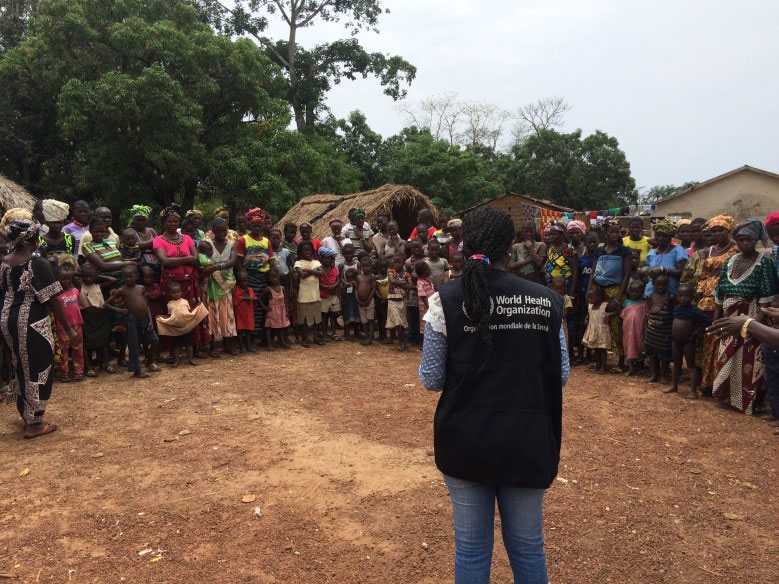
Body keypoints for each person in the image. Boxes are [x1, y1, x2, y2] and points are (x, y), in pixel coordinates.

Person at [418, 206, 568, 584]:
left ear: (464, 244)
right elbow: (562, 373)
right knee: (528, 547)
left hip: (464, 440)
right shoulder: (546, 300)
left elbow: (431, 378)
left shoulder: (445, 300)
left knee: (471, 549)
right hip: (528, 438)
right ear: (510, 246)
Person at [0, 219, 76, 438]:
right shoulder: (37, 263)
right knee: (39, 367)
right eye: (36, 237)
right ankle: (34, 422)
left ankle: (26, 413)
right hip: (31, 321)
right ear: (30, 240)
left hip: (7, 320)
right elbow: (53, 299)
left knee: (20, 365)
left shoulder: (5, 262)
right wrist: (69, 330)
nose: (39, 240)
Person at [712, 220, 777, 414]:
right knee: (726, 358)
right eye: (740, 239)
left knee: (748, 361)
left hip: (752, 315)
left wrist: (751, 324)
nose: (744, 243)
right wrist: (717, 321)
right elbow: (719, 293)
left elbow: (766, 299)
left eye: (748, 239)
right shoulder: (729, 261)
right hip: (728, 317)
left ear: (756, 240)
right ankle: (727, 397)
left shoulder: (764, 262)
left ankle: (747, 403)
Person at [691, 215, 738, 390]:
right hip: (705, 300)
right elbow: (702, 276)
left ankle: (719, 383)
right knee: (703, 339)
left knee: (720, 339)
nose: (717, 234)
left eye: (721, 230)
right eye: (714, 231)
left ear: (728, 231)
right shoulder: (710, 251)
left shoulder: (735, 250)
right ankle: (705, 381)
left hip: (725, 299)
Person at [153, 206, 209, 355]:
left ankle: (195, 347)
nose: (173, 224)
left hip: (190, 283)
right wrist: (186, 259)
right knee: (174, 315)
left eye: (176, 221)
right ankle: (173, 350)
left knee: (192, 312)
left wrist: (178, 260)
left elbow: (195, 258)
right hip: (171, 285)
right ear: (163, 223)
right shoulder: (158, 240)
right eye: (169, 221)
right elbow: (164, 261)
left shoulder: (187, 238)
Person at [589, 222, 632, 370]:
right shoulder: (599, 251)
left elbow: (626, 274)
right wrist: (590, 289)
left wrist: (619, 297)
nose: (615, 235)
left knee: (615, 325)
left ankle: (621, 360)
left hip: (615, 290)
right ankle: (601, 361)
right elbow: (593, 271)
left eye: (617, 232)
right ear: (606, 234)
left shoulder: (624, 251)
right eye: (611, 232)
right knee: (599, 324)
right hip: (598, 290)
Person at [108, 264, 158, 378]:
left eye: (130, 276)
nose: (128, 279)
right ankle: (137, 370)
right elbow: (106, 304)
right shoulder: (122, 290)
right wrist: (120, 310)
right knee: (134, 345)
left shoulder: (141, 288)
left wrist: (150, 321)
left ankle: (150, 361)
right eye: (125, 277)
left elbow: (146, 305)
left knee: (154, 340)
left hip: (144, 319)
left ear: (136, 276)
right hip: (131, 320)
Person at [235, 208, 274, 345]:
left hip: (264, 277)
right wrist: (242, 277)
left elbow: (271, 261)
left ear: (263, 225)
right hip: (249, 278)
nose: (257, 227)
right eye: (254, 225)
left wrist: (272, 277)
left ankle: (261, 337)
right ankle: (250, 338)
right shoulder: (243, 240)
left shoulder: (267, 241)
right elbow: (239, 262)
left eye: (259, 225)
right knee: (250, 307)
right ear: (249, 225)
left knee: (263, 307)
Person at [667, 283, 711, 398]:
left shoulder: (694, 311)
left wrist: (697, 332)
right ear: (677, 296)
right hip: (676, 341)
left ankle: (693, 391)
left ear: (692, 297)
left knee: (691, 365)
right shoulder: (676, 309)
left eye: (686, 296)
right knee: (676, 363)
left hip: (688, 342)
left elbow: (707, 321)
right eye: (680, 296)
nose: (683, 298)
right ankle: (674, 386)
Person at [204, 218, 237, 356]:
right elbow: (203, 261)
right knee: (213, 313)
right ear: (213, 231)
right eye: (218, 230)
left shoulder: (231, 244)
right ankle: (215, 344)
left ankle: (229, 343)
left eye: (224, 230)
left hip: (227, 284)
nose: (222, 233)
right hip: (212, 285)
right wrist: (212, 269)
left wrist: (216, 267)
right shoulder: (207, 245)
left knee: (228, 314)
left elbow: (233, 261)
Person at [156, 280, 208, 367]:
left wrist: (197, 309)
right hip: (176, 329)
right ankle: (176, 360)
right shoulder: (169, 304)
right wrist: (162, 319)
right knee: (176, 346)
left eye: (178, 292)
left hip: (187, 327)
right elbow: (170, 316)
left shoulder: (185, 301)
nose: (176, 294)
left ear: (181, 292)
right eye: (174, 292)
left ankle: (190, 359)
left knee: (189, 345)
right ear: (170, 294)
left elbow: (189, 312)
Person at [79, 262, 116, 376]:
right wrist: (82, 273)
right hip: (87, 316)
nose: (88, 279)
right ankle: (89, 367)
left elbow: (113, 280)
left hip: (100, 316)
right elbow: (73, 276)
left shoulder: (98, 285)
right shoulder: (79, 286)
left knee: (103, 342)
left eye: (90, 276)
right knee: (87, 343)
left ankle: (106, 363)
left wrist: (97, 275)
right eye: (85, 276)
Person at [54, 257, 84, 383]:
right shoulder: (56, 295)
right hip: (62, 327)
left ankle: (79, 372)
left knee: (78, 349)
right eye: (63, 279)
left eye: (68, 279)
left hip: (77, 324)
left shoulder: (75, 291)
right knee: (64, 350)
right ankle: (64, 373)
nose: (65, 281)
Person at [572, 232, 599, 363]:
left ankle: (590, 353)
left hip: (595, 298)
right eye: (590, 242)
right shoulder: (581, 259)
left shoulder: (600, 259)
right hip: (582, 296)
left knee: (593, 324)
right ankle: (581, 353)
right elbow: (576, 278)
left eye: (595, 242)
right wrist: (574, 294)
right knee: (581, 324)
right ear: (585, 243)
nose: (592, 244)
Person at [644, 220, 688, 299]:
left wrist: (662, 269)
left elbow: (682, 273)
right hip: (650, 294)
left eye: (664, 236)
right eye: (658, 235)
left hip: (670, 295)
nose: (661, 238)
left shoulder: (678, 250)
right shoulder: (651, 252)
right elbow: (648, 272)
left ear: (670, 237)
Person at [644, 272, 673, 383]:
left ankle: (664, 375)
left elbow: (672, 312)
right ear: (653, 284)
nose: (661, 287)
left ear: (667, 285)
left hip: (664, 332)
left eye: (663, 284)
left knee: (664, 356)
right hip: (652, 331)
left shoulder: (670, 297)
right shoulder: (650, 297)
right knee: (652, 355)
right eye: (658, 284)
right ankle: (654, 374)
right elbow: (647, 313)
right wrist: (646, 329)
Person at [294, 241, 323, 347]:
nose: (308, 252)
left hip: (315, 295)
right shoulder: (298, 263)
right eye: (305, 250)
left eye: (310, 250)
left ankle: (315, 337)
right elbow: (301, 275)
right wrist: (313, 271)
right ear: (300, 252)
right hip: (303, 296)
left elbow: (321, 273)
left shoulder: (317, 262)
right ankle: (305, 338)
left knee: (316, 319)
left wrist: (308, 271)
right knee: (304, 319)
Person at [620, 279, 648, 376]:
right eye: (632, 291)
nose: (634, 293)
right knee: (629, 348)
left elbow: (646, 318)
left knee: (640, 347)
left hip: (639, 331)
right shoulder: (626, 302)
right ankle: (631, 368)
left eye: (637, 291)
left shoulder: (644, 304)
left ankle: (640, 366)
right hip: (628, 331)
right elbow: (622, 316)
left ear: (642, 292)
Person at [261, 268, 291, 350]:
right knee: (269, 328)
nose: (274, 279)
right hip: (272, 311)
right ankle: (269, 344)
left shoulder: (282, 288)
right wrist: (265, 307)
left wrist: (287, 310)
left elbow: (285, 300)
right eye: (272, 277)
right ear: (268, 279)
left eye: (276, 276)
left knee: (281, 326)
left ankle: (282, 341)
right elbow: (260, 299)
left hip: (281, 311)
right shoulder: (268, 289)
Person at [386, 252, 410, 351]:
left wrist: (401, 283)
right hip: (392, 301)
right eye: (395, 262)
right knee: (398, 323)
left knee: (403, 323)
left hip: (403, 301)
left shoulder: (406, 273)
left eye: (398, 262)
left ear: (403, 263)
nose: (396, 264)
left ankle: (404, 342)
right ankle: (401, 343)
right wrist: (403, 283)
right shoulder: (390, 271)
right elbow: (392, 281)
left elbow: (409, 285)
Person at [126, 204, 159, 275]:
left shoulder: (151, 230)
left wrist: (151, 243)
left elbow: (159, 244)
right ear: (133, 220)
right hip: (138, 260)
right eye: (138, 220)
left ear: (147, 220)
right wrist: (153, 241)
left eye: (143, 220)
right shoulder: (131, 231)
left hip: (155, 257)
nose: (141, 222)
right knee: (146, 271)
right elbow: (138, 245)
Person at [317, 247, 341, 340]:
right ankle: (324, 333)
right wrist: (326, 287)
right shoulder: (319, 269)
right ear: (321, 259)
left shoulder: (334, 268)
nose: (327, 260)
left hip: (333, 295)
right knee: (324, 316)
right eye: (325, 258)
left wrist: (334, 285)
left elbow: (338, 279)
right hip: (323, 296)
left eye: (329, 258)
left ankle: (333, 333)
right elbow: (318, 282)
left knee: (333, 315)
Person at [233, 270, 256, 353]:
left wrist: (245, 297)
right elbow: (235, 301)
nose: (244, 283)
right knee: (240, 331)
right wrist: (245, 298)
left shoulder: (250, 289)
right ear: (238, 282)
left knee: (248, 331)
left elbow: (253, 298)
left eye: (246, 280)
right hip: (240, 315)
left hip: (248, 314)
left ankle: (248, 346)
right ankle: (241, 346)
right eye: (242, 281)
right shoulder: (236, 290)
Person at [357, 258, 377, 345]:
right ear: (361, 267)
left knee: (370, 320)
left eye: (368, 266)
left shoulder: (372, 277)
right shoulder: (359, 277)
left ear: (371, 267)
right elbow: (356, 289)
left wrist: (368, 300)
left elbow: (373, 289)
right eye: (364, 266)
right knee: (364, 321)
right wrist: (358, 300)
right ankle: (366, 336)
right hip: (360, 303)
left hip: (369, 302)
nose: (366, 268)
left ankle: (370, 338)